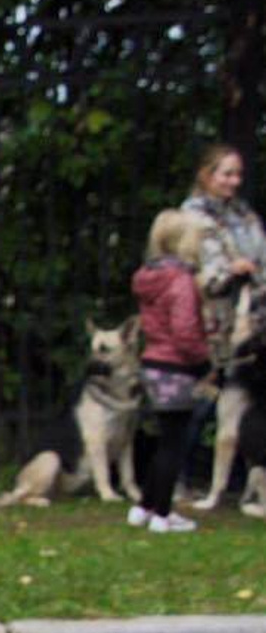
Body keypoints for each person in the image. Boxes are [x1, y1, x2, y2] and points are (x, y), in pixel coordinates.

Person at [128, 210, 210, 534]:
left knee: (165, 439)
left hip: (153, 362)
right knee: (175, 443)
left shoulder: (150, 277)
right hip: (177, 366)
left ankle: (145, 505)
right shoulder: (182, 281)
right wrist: (202, 361)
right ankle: (162, 513)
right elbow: (185, 329)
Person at [181, 144, 266, 370]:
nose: (235, 181)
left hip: (255, 320)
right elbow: (196, 271)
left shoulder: (243, 212)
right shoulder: (191, 215)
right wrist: (230, 269)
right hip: (215, 323)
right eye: (227, 174)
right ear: (206, 175)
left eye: (238, 175)